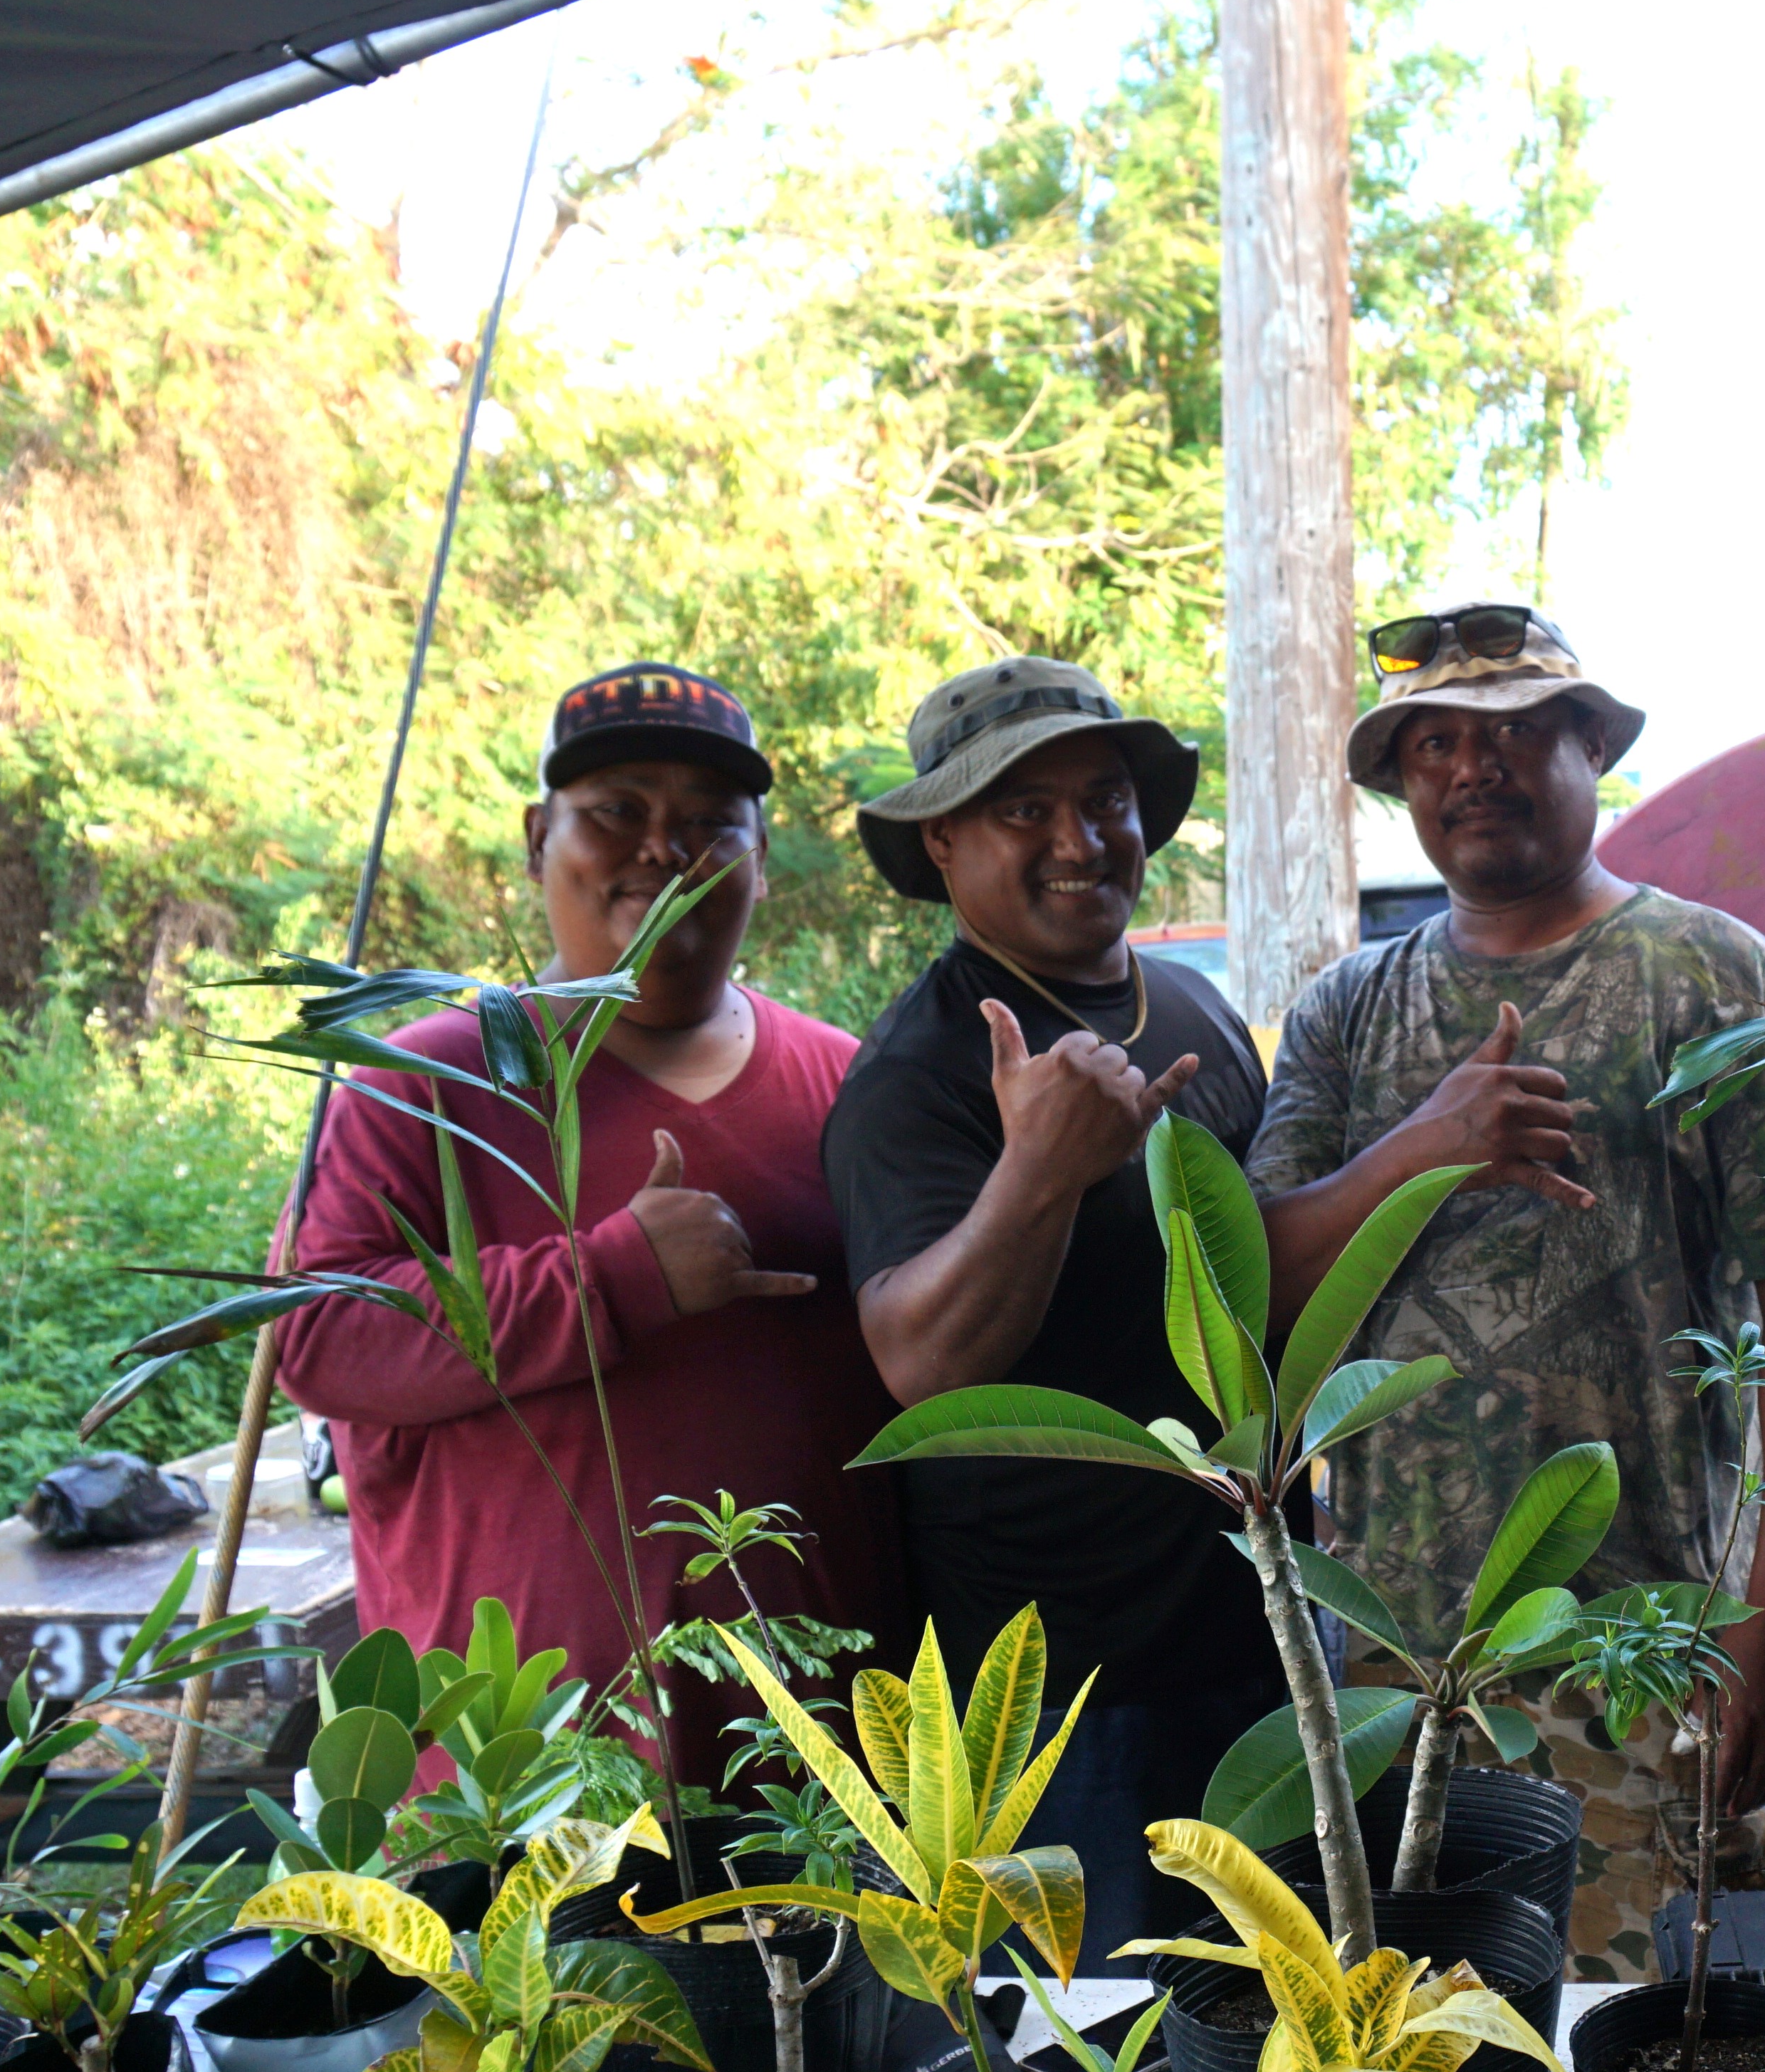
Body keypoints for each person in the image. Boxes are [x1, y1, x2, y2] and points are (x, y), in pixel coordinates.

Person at [1246, 605, 1765, 1983]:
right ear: (1401, 782)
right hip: (1393, 1659)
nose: (1477, 766)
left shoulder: (1713, 977)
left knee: (1612, 2064)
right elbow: (1259, 1285)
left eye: (1520, 730)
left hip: (1634, 1649)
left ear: (1593, 744)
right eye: (1437, 741)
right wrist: (1424, 1156)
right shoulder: (1349, 1008)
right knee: (1406, 2061)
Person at [279, 661, 895, 1780]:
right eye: (619, 813)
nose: (665, 850)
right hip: (515, 1779)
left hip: (814, 1771)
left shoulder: (852, 1084)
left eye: (711, 823)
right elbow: (318, 1338)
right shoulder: (417, 1083)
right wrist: (609, 1279)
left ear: (758, 859)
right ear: (537, 838)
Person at [822, 658, 1277, 1964]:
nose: (1079, 841)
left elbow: (1252, 1279)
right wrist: (1040, 1169)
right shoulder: (918, 1074)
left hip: (1252, 1640)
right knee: (1097, 2066)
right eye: (1023, 812)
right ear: (943, 840)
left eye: (1105, 798)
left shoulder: (1192, 1007)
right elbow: (924, 1361)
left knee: (1270, 2038)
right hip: (1059, 1701)